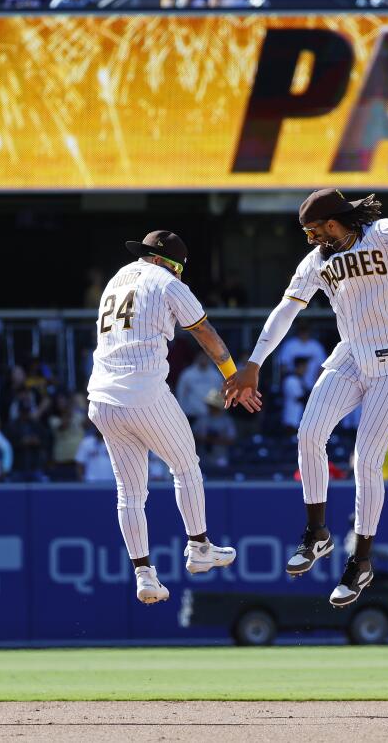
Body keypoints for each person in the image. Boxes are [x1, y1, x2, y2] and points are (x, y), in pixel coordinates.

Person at [224, 189, 388, 606]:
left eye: (314, 229)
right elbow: (285, 309)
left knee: (364, 460)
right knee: (309, 434)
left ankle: (361, 561)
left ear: (334, 223)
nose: (310, 238)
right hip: (351, 355)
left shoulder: (381, 232)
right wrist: (255, 362)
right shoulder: (316, 261)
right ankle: (317, 533)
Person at [87, 230, 259, 604]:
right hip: (143, 391)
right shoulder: (166, 280)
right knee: (186, 466)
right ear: (174, 263)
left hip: (101, 398)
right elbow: (205, 332)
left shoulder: (116, 278)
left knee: (130, 493)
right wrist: (232, 374)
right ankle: (199, 547)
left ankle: (144, 575)